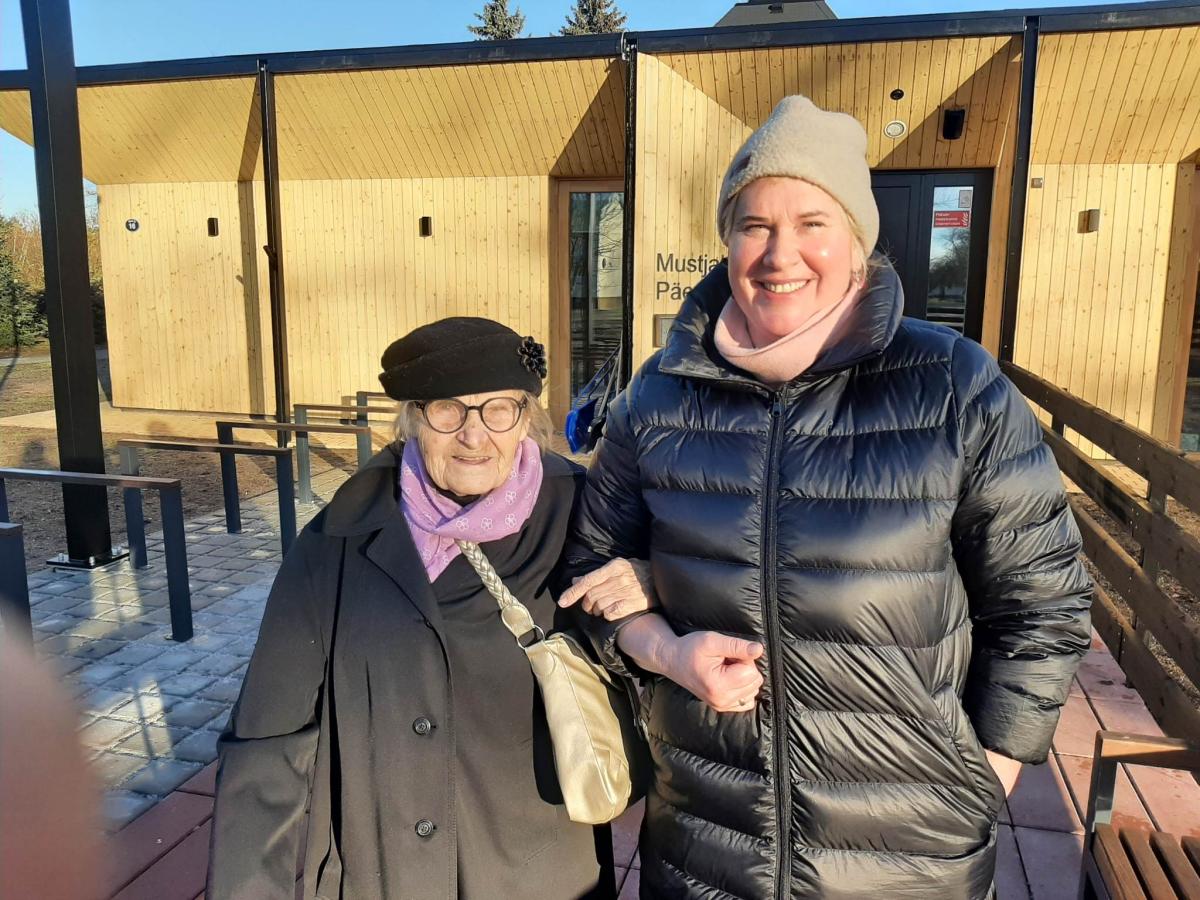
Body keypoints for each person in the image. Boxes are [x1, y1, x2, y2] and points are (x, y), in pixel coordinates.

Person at [559, 95, 1093, 899]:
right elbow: (588, 576)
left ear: (856, 241)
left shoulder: (952, 387)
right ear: (728, 241)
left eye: (812, 222)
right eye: (755, 225)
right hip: (708, 848)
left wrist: (989, 775)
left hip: (910, 861)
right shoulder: (659, 397)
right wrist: (664, 648)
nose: (781, 254)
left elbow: (1044, 601)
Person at [208, 317, 615, 899]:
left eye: (498, 409)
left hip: (541, 871)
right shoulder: (339, 540)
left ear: (526, 418)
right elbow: (267, 742)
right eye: (448, 410)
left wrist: (652, 582)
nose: (474, 436)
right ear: (413, 419)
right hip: (382, 874)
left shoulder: (584, 517)